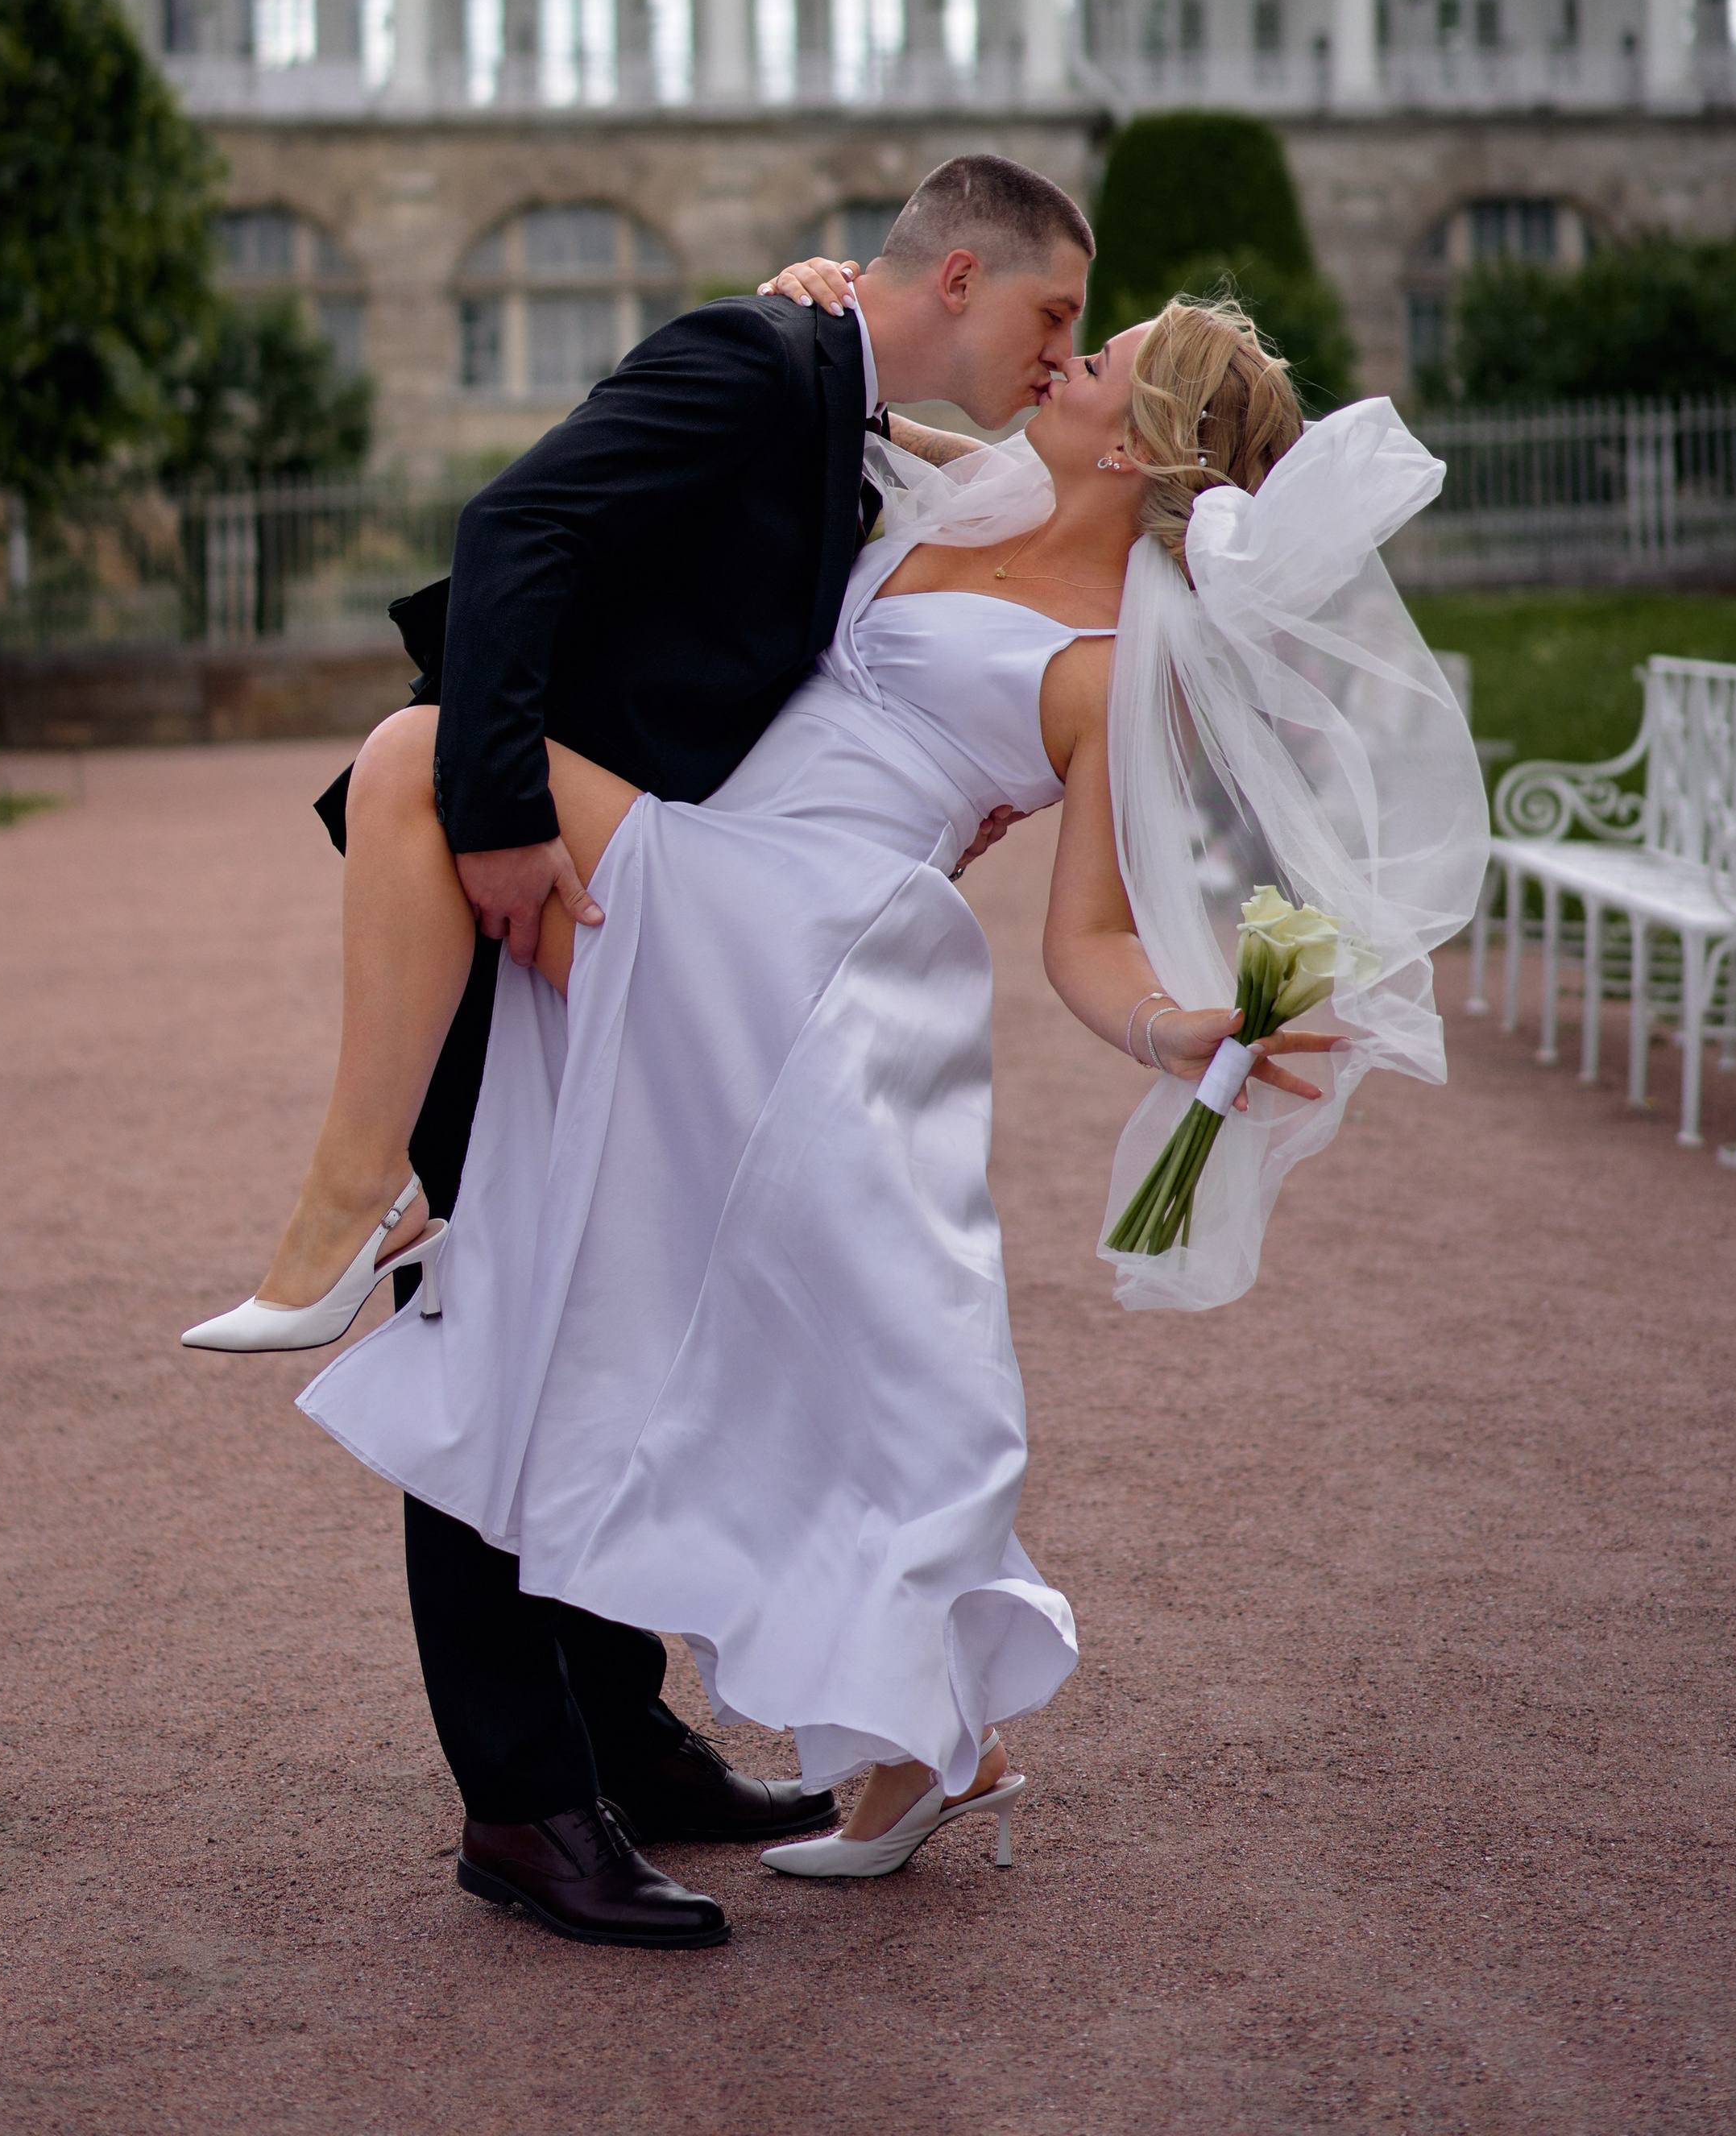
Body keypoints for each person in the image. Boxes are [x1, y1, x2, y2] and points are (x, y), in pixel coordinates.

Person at [295, 293, 1347, 1935]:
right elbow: (856, 415)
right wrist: (816, 311)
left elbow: (1084, 940)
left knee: (426, 754)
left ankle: (349, 1207)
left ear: (1143, 444)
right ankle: (850, 1738)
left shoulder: (1103, 669)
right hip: (720, 893)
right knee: (684, 1315)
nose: (1066, 359)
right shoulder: (968, 487)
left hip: (811, 945)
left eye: (1105, 356)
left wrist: (1176, 1030)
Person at [185, 152, 1106, 1948]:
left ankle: (625, 1744)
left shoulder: (847, 409)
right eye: (1052, 314)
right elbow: (513, 536)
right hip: (515, 891)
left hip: (655, 925)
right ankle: (524, 1806)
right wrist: (503, 810)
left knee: (600, 1305)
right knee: (496, 1310)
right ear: (963, 273)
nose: (1055, 350)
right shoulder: (753, 360)